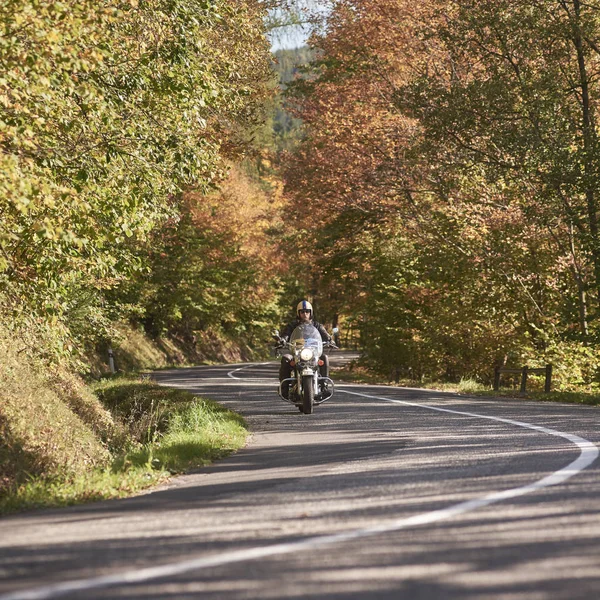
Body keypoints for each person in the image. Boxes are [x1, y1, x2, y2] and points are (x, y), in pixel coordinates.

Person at [278, 300, 333, 399]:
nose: (305, 314)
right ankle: (284, 389)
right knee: (286, 358)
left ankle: (324, 386)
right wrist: (282, 340)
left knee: (324, 358)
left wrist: (330, 340)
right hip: (297, 352)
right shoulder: (292, 325)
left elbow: (325, 335)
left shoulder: (316, 325)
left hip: (313, 352)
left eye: (307, 311)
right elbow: (286, 335)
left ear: (310, 312)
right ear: (298, 313)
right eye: (302, 312)